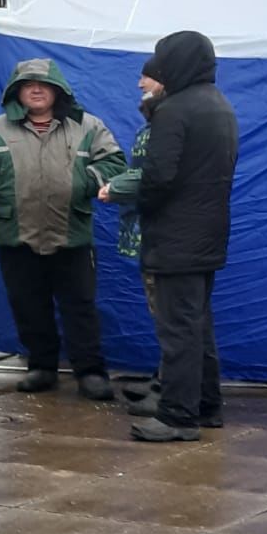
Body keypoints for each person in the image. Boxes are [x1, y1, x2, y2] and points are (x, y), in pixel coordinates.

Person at [0, 59, 126, 400]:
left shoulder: (87, 126)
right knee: (28, 306)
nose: (36, 90)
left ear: (57, 90)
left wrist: (82, 182)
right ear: (16, 92)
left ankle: (91, 372)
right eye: (28, 85)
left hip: (72, 235)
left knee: (80, 307)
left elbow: (115, 164)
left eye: (43, 84)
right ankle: (41, 367)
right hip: (17, 237)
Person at [129, 32, 238, 443]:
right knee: (198, 327)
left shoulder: (174, 110)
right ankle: (207, 406)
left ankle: (177, 416)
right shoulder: (218, 105)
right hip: (208, 234)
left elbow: (159, 176)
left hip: (176, 236)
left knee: (178, 330)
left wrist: (142, 206)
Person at [99, 57, 167, 413]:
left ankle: (172, 391)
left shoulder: (170, 121)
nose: (140, 83)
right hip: (149, 232)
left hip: (163, 235)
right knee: (166, 317)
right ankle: (164, 380)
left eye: (146, 77)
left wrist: (116, 186)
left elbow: (153, 172)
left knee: (171, 318)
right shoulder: (160, 118)